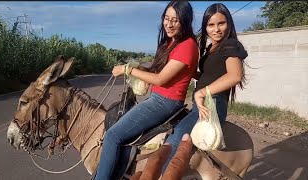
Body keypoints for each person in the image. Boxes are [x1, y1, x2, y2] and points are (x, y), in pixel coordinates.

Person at [93, 1, 199, 179]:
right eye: (166, 18)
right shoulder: (170, 43)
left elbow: (160, 79)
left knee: (112, 136)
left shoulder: (187, 45)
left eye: (175, 20)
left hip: (166, 101)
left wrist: (127, 70)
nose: (169, 24)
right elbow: (157, 72)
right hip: (157, 98)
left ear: (185, 22)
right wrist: (139, 68)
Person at [163, 2, 248, 170]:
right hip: (204, 102)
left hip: (213, 103)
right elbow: (210, 75)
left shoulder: (230, 44)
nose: (216, 29)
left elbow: (235, 75)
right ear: (205, 27)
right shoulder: (211, 47)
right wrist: (189, 73)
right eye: (211, 25)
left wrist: (201, 92)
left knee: (176, 138)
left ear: (229, 23)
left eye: (221, 23)